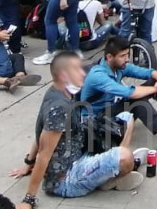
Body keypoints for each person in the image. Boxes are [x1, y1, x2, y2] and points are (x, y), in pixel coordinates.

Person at [9, 51, 146, 208]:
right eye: (77, 70)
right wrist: (28, 200)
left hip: (79, 150)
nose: (83, 72)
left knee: (126, 117)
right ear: (63, 75)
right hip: (66, 178)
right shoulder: (59, 109)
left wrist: (28, 162)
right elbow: (44, 154)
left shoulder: (58, 91)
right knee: (125, 156)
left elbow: (40, 132)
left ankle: (110, 172)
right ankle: (112, 176)